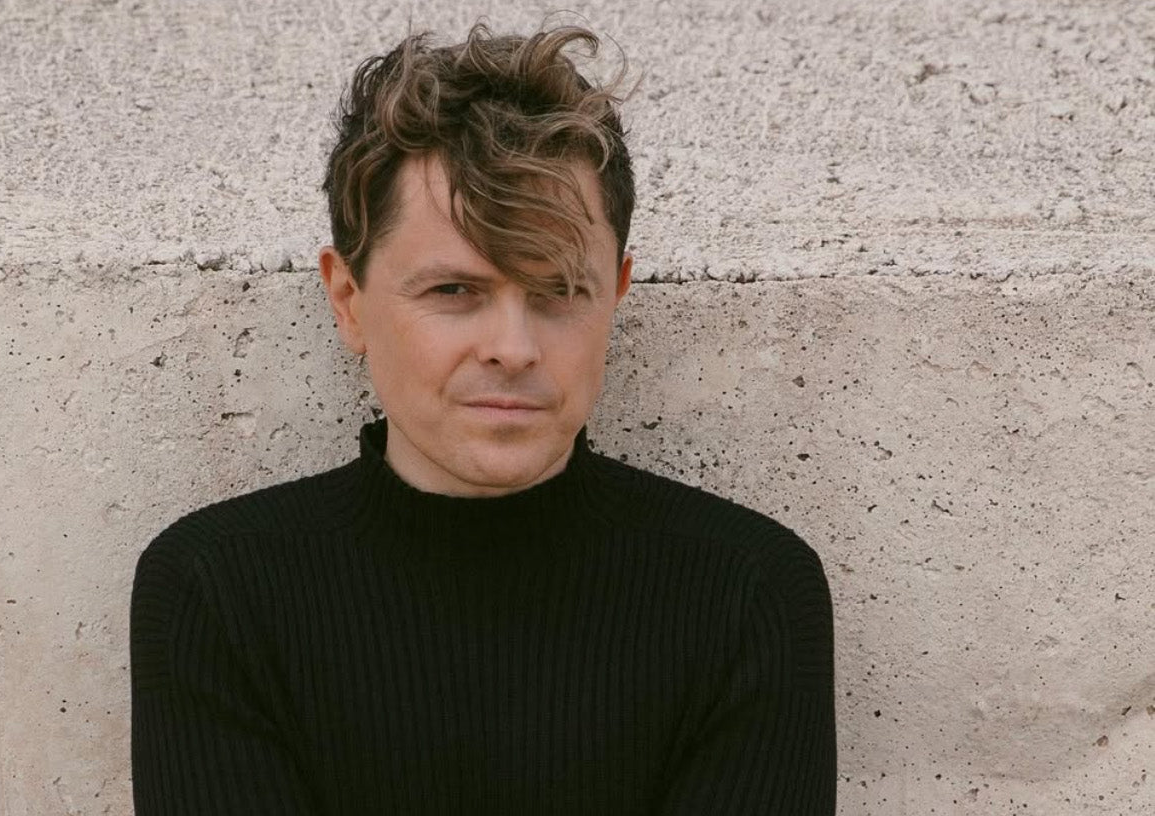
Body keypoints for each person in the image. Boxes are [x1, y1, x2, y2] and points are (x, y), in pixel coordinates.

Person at [130, 19, 836, 815]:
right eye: (455, 291)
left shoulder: (747, 595)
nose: (513, 348)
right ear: (349, 301)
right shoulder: (218, 592)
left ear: (616, 294)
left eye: (559, 290)